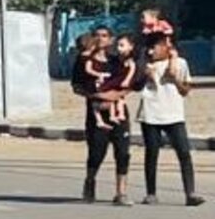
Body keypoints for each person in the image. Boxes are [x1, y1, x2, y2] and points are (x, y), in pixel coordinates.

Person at [138, 35, 204, 206]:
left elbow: (185, 90)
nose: (152, 51)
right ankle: (151, 193)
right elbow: (135, 84)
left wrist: (175, 80)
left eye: (156, 47)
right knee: (152, 153)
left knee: (184, 153)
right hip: (150, 114)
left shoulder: (180, 63)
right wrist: (145, 75)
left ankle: (190, 193)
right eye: (150, 48)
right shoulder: (145, 64)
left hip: (174, 114)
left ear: (166, 47)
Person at [72, 27, 135, 206]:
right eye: (97, 36)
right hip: (96, 112)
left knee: (123, 152)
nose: (101, 39)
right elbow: (77, 86)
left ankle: (121, 192)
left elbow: (131, 81)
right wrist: (96, 97)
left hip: (118, 112)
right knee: (96, 153)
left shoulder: (117, 62)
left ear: (111, 40)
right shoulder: (85, 60)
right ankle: (90, 181)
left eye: (105, 36)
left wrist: (117, 95)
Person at [85, 35, 139, 130]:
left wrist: (127, 80)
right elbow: (88, 70)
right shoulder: (93, 59)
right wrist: (99, 76)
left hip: (117, 83)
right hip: (112, 83)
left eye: (122, 45)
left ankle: (117, 114)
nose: (119, 48)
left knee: (118, 99)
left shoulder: (128, 60)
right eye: (118, 45)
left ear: (131, 46)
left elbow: (132, 70)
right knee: (108, 100)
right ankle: (107, 117)